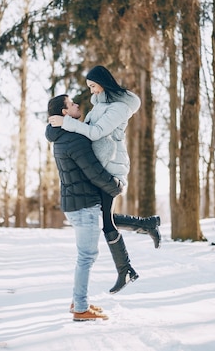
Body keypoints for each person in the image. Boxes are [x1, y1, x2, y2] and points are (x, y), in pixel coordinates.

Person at [48, 65, 161, 294]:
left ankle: (126, 269)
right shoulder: (98, 106)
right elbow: (85, 130)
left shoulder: (119, 108)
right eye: (89, 88)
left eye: (93, 86)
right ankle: (146, 227)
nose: (92, 92)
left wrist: (65, 124)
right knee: (105, 219)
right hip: (100, 168)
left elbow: (95, 132)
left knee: (107, 223)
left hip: (111, 170)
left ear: (103, 82)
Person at [45, 94, 123, 322]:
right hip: (84, 204)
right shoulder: (74, 140)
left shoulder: (61, 137)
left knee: (85, 256)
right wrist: (115, 186)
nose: (77, 105)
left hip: (75, 203)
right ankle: (80, 308)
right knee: (87, 257)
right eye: (72, 104)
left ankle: (79, 300)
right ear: (64, 113)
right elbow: (94, 171)